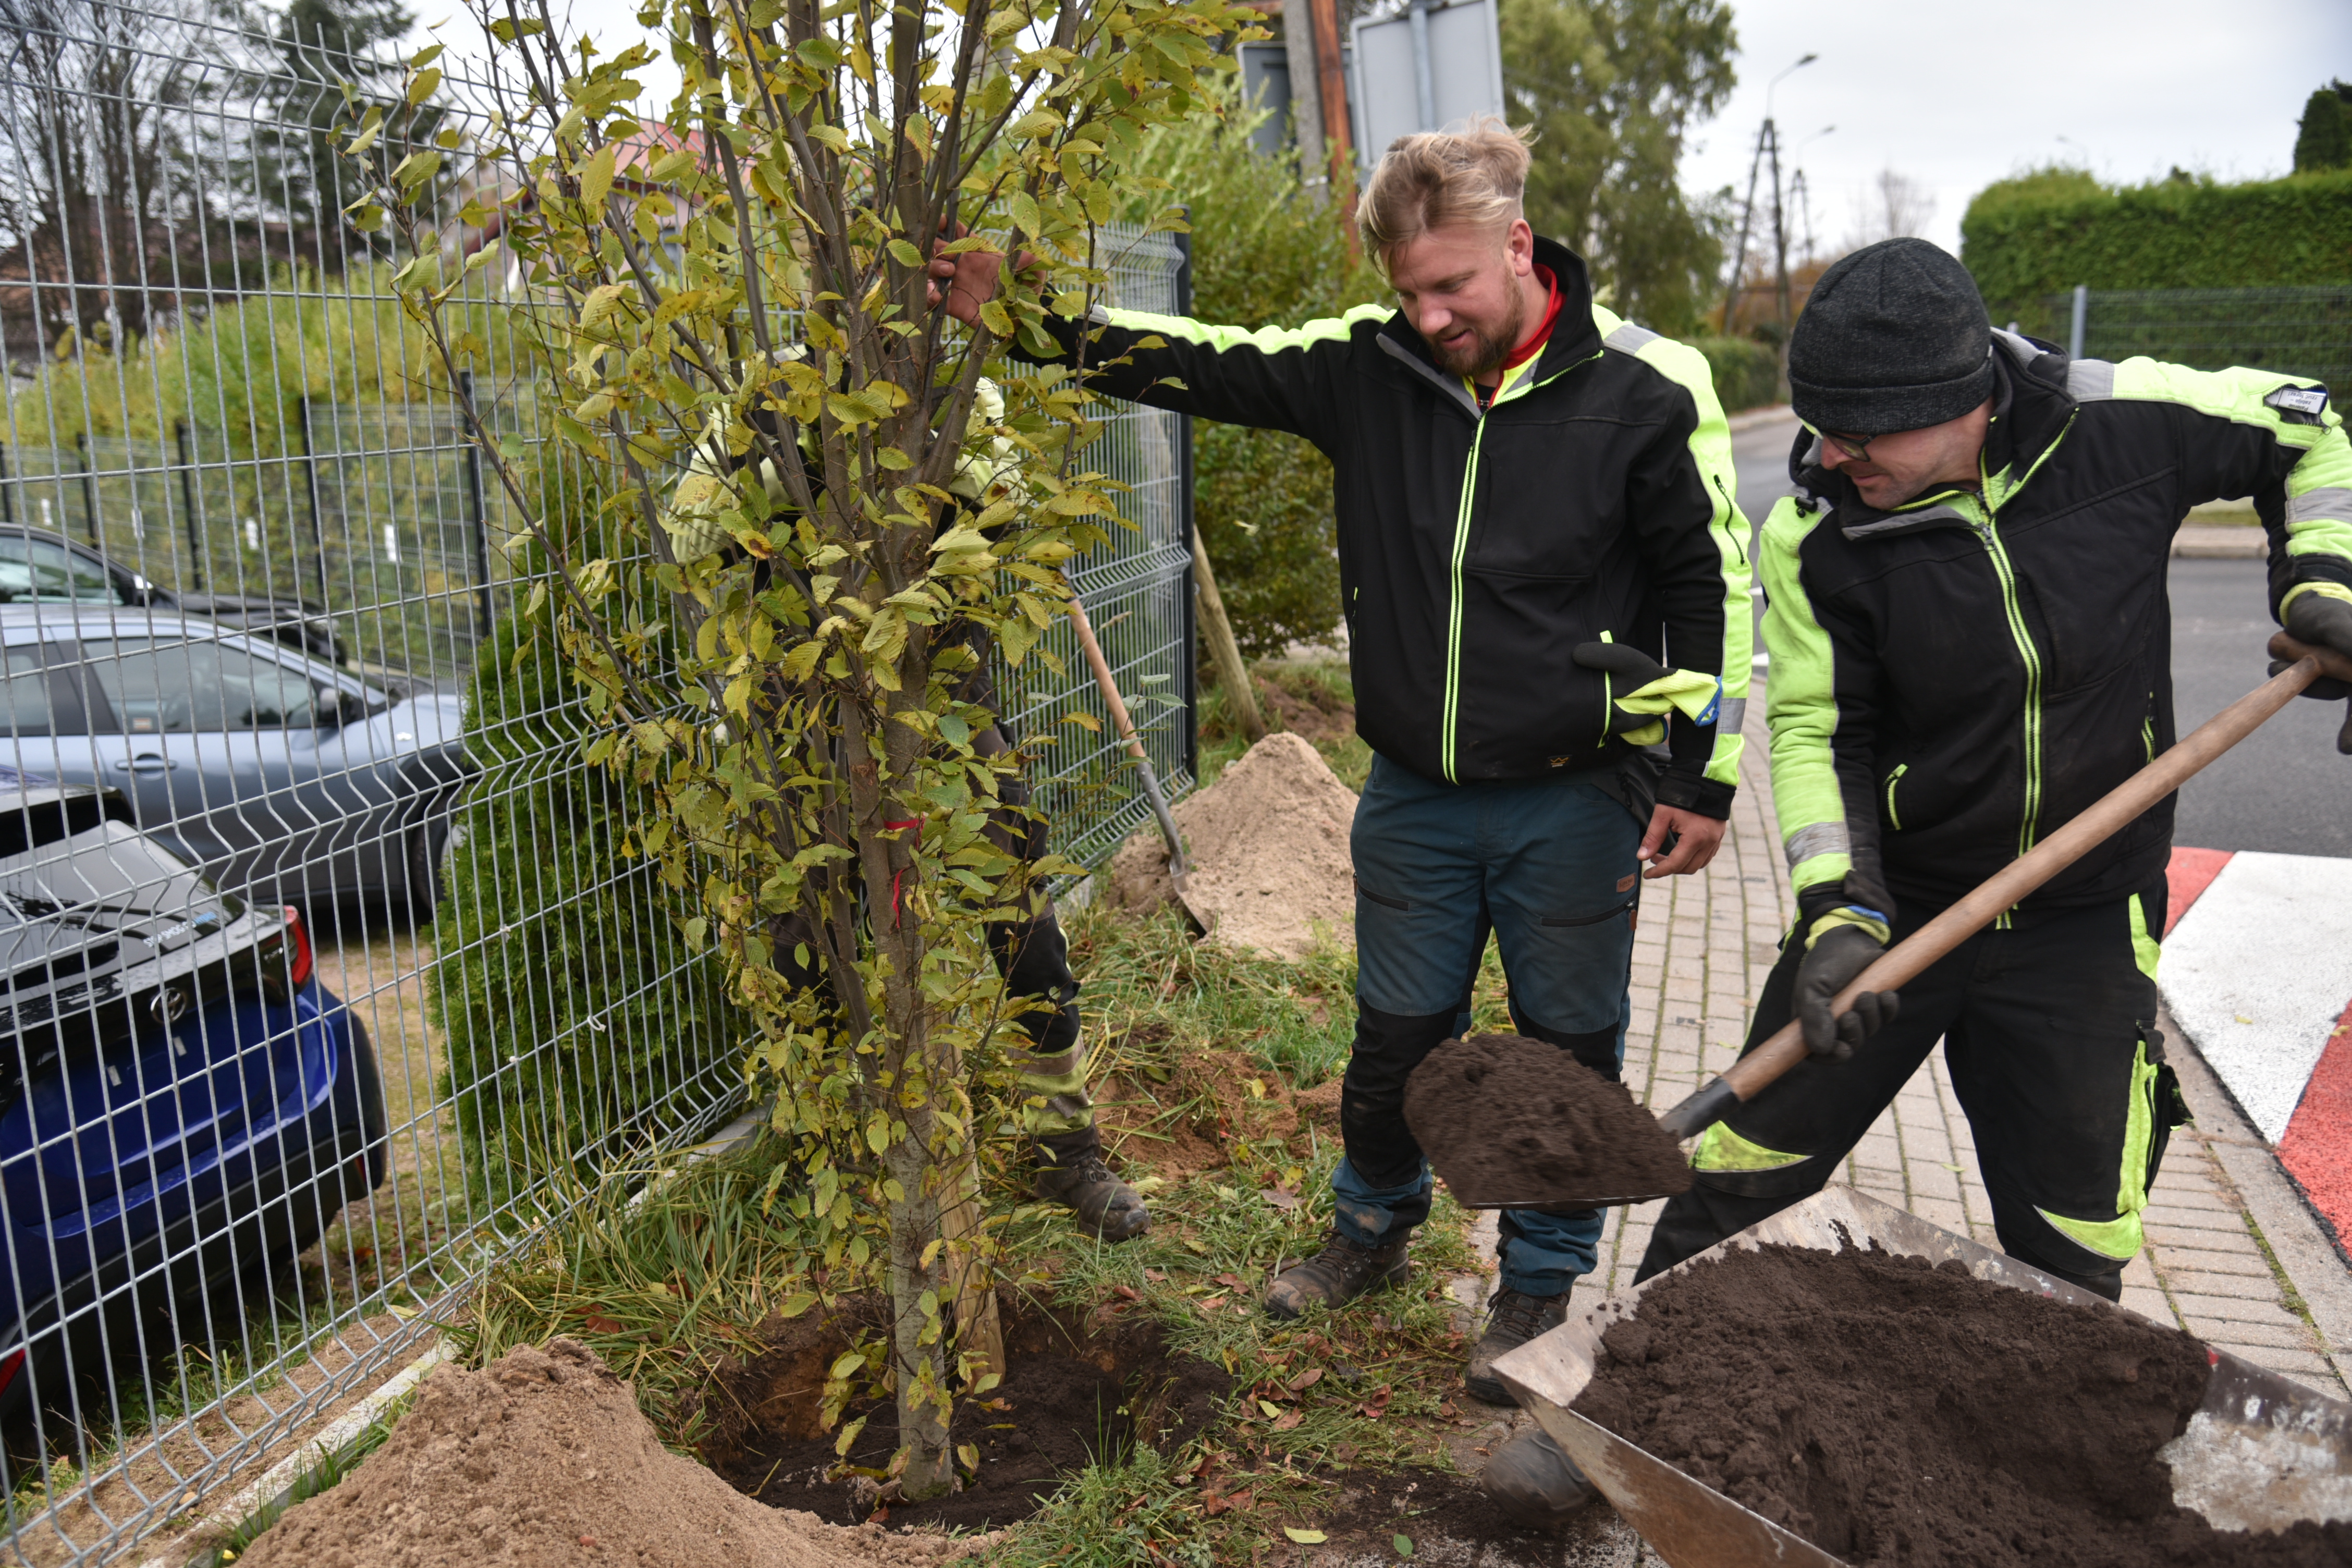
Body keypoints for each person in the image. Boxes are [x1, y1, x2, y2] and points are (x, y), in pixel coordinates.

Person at [1482, 236, 2352, 1527]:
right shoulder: (1818, 533)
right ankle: (1615, 1414)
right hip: (1901, 911)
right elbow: (1818, 730)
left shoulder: (2128, 426)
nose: (1829, 457)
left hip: (2077, 921)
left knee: (2074, 1237)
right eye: (1820, 427)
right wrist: (1839, 909)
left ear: (1967, 405)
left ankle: (2045, 1490)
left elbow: (2309, 426)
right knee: (1741, 1163)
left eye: (1858, 437)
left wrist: (2323, 577)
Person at [929, 120, 1751, 1406]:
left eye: (1452, 287)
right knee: (1397, 1040)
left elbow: (1716, 582)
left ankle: (1537, 1280)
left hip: (1578, 793)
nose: (1429, 317)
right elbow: (1200, 362)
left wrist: (1703, 775)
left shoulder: (1649, 387)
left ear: (1519, 247)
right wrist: (1022, 312)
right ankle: (1370, 1227)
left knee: (1566, 1047)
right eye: (1407, 291)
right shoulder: (1366, 372)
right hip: (1417, 792)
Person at [662, 379, 1150, 1243]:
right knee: (810, 951)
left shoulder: (961, 387)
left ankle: (1066, 1148)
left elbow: (1014, 520)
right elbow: (691, 532)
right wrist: (768, 454)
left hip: (948, 699)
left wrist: (948, 458)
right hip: (808, 716)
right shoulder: (765, 394)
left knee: (1024, 924)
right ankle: (847, 1166)